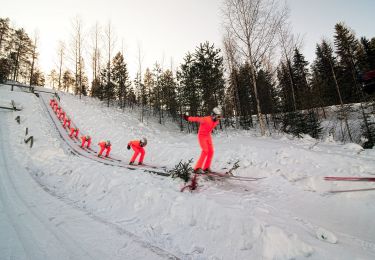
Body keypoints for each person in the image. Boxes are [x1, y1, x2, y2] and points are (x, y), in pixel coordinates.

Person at [183, 106, 222, 174]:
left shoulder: (216, 121)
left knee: (211, 151)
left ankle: (206, 168)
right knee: (205, 150)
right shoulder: (206, 119)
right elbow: (197, 119)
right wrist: (188, 118)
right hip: (202, 136)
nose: (219, 118)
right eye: (218, 116)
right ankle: (197, 168)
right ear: (213, 115)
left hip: (208, 136)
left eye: (220, 117)